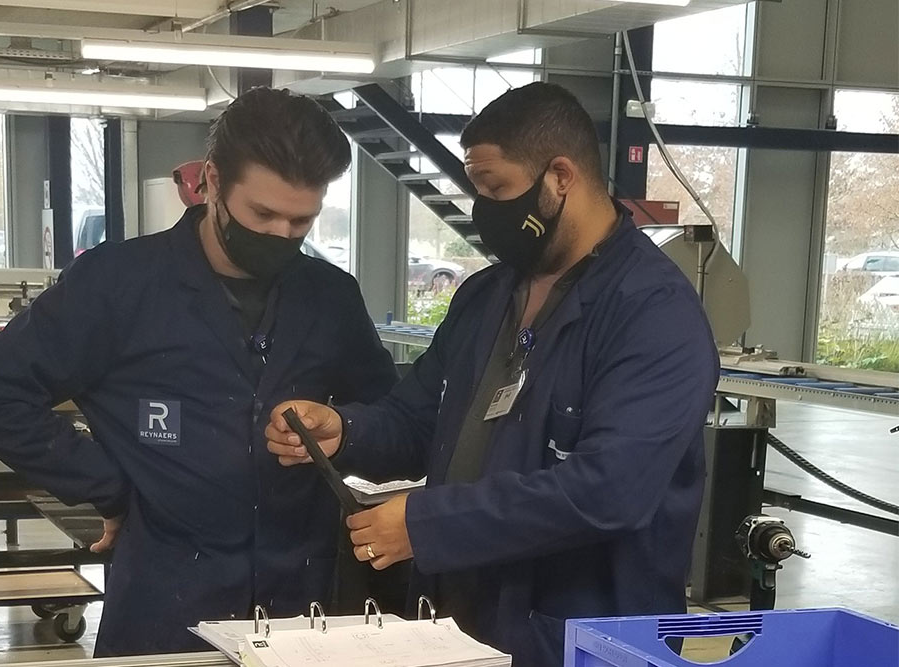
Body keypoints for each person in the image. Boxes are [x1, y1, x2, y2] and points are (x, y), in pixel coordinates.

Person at [266, 82, 720, 666]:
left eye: (496, 188)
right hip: (459, 620)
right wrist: (344, 431)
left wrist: (429, 525)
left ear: (560, 177)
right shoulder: (488, 296)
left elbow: (611, 491)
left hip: (578, 638)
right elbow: (417, 420)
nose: (484, 210)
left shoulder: (653, 314)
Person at [0, 87, 398, 657]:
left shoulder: (330, 296)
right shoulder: (117, 284)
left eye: (301, 220)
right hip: (166, 600)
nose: (282, 236)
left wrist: (343, 425)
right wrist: (109, 489)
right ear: (210, 181)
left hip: (303, 605)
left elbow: (393, 419)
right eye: (263, 214)